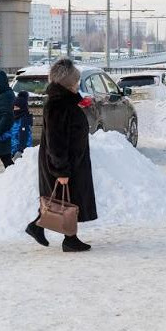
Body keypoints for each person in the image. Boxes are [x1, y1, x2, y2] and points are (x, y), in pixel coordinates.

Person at [26, 58, 97, 252]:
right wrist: (61, 170)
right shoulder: (58, 104)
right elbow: (56, 141)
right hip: (62, 162)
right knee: (64, 200)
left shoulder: (67, 101)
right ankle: (67, 238)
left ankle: (47, 230)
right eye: (75, 81)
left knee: (63, 199)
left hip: (71, 161)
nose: (77, 84)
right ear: (67, 83)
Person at [7, 91, 33, 159]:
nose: (15, 110)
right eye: (14, 108)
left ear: (22, 108)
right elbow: (11, 133)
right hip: (14, 151)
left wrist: (21, 150)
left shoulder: (24, 121)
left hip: (22, 153)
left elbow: (24, 137)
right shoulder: (15, 120)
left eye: (17, 108)